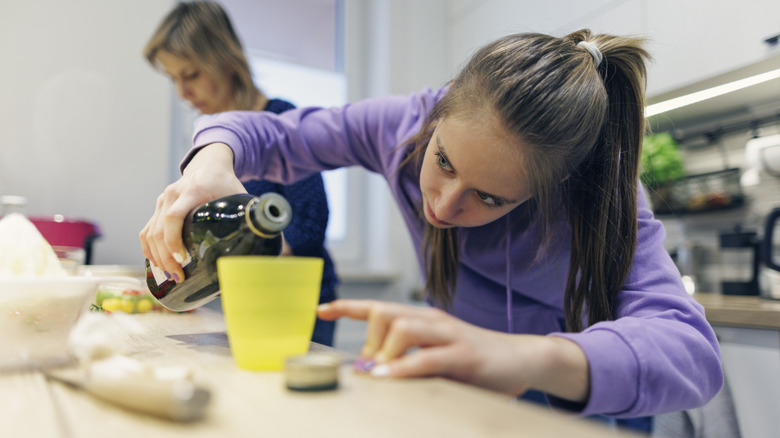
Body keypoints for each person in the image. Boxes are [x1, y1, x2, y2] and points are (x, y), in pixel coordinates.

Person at [140, 29, 724, 422]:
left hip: (580, 418)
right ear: (437, 118)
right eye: (442, 161)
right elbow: (269, 132)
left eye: (490, 197)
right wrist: (211, 160)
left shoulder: (602, 201)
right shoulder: (402, 125)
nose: (442, 207)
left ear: (550, 191)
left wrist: (524, 357)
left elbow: (693, 353)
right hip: (469, 410)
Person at [142, 1, 338, 346]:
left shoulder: (279, 121)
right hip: (246, 302)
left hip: (299, 303)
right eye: (174, 79)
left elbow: (308, 225)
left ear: (225, 60)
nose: (182, 93)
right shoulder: (207, 146)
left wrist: (232, 261)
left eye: (191, 75)